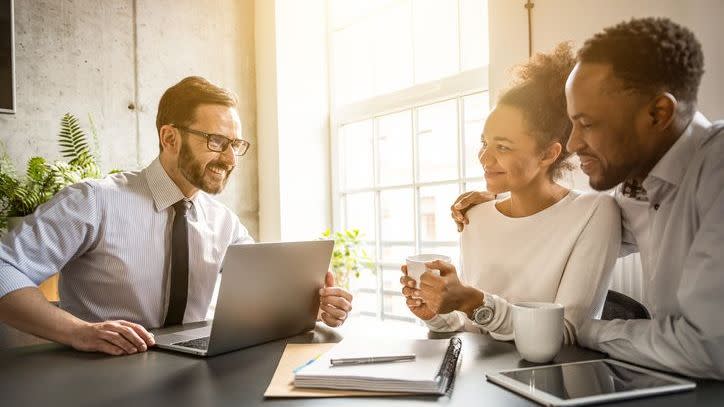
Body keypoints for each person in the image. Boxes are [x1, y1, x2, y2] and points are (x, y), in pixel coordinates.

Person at [0, 76, 353, 356]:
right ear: (170, 138)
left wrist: (316, 306)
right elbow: (4, 269)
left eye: (236, 145)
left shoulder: (224, 223)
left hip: (192, 372)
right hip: (100, 373)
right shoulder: (94, 201)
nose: (229, 159)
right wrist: (79, 332)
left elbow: (266, 295)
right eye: (216, 141)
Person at [453, 18, 724, 379]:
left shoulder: (716, 172)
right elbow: (566, 222)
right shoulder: (637, 192)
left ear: (658, 113)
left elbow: (708, 348)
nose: (573, 144)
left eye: (588, 123)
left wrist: (579, 328)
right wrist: (501, 205)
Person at [400, 44, 621, 345]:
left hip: (549, 382)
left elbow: (566, 333)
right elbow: (473, 327)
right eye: (484, 143)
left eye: (502, 147)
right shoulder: (474, 216)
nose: (484, 158)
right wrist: (435, 312)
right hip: (479, 383)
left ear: (548, 154)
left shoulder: (594, 212)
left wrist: (472, 301)